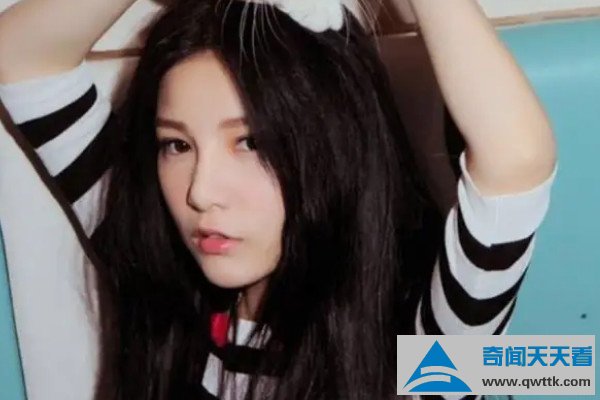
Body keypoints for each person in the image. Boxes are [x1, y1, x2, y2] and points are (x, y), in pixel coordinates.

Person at [0, 0, 557, 399]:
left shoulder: (421, 348)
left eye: (251, 143)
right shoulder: (156, 261)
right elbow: (19, 56)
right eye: (177, 145)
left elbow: (516, 161)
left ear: (336, 148)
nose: (200, 192)